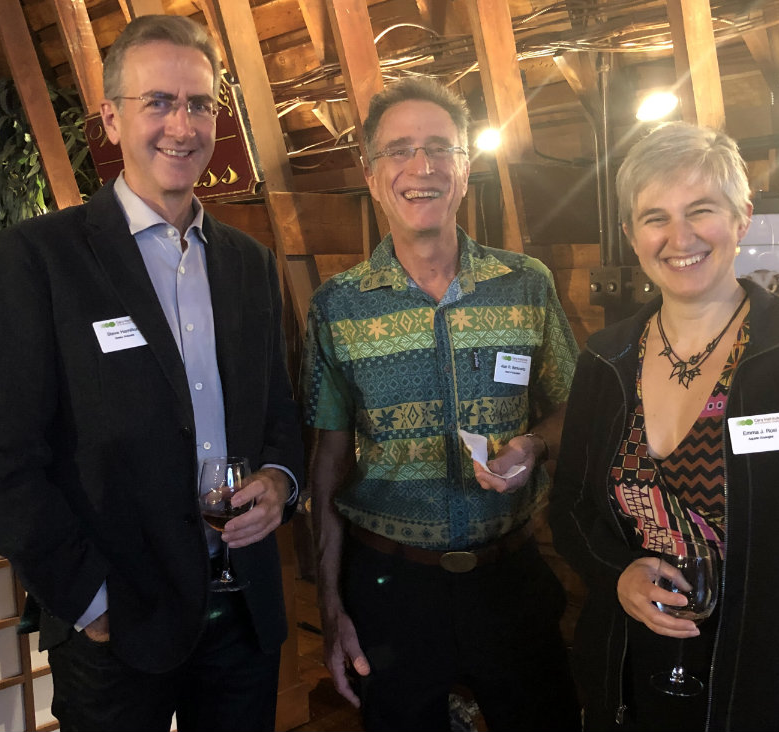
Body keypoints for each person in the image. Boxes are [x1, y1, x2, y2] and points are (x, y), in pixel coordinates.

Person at [0, 15, 303, 732]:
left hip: (242, 609)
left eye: (200, 104)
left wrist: (279, 481)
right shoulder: (41, 257)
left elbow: (278, 412)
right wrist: (90, 601)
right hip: (119, 616)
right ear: (111, 120)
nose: (183, 124)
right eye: (159, 102)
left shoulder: (248, 261)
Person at [549, 122, 779, 731]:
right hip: (634, 676)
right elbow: (572, 507)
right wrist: (619, 575)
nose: (679, 236)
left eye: (701, 210)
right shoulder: (606, 359)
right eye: (654, 216)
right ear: (631, 234)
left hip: (769, 682)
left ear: (742, 217)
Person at [301, 77, 582, 732]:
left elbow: (576, 408)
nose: (420, 167)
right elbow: (327, 463)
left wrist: (534, 443)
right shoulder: (337, 305)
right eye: (399, 151)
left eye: (439, 149)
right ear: (372, 175)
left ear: (465, 168)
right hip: (390, 591)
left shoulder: (525, 285)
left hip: (509, 580)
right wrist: (332, 608)